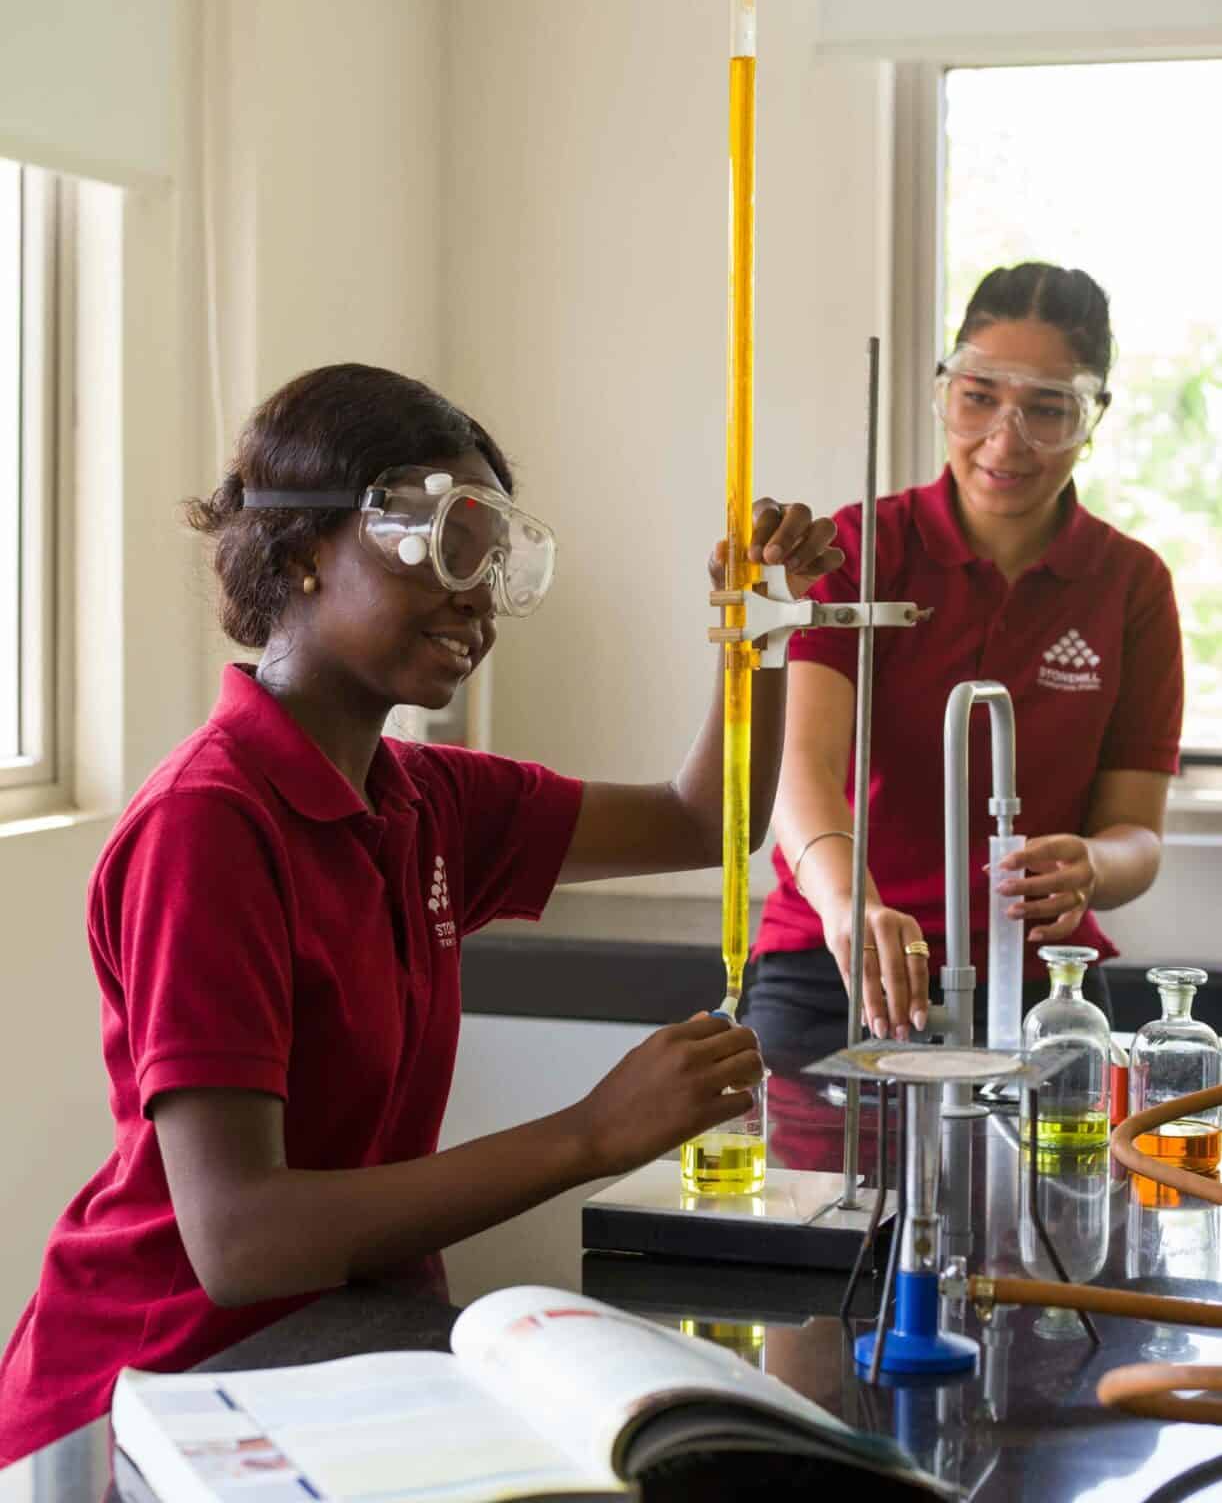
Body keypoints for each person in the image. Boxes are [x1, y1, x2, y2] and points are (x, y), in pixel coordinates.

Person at [0, 363, 843, 1463]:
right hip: (155, 1401)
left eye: (492, 564)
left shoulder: (422, 800)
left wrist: (762, 626)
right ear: (301, 553)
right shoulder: (209, 824)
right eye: (445, 550)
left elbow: (704, 820)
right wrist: (591, 1133)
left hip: (339, 1360)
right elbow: (242, 1243)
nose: (476, 599)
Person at [744, 263, 1183, 1079]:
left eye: (1047, 409)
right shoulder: (858, 550)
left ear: (1092, 418)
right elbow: (798, 769)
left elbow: (1138, 833)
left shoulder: (1130, 584)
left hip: (1042, 979)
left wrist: (1092, 866)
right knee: (794, 1155)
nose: (1005, 441)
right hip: (837, 956)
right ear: (945, 392)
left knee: (1064, 1163)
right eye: (978, 397)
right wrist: (849, 905)